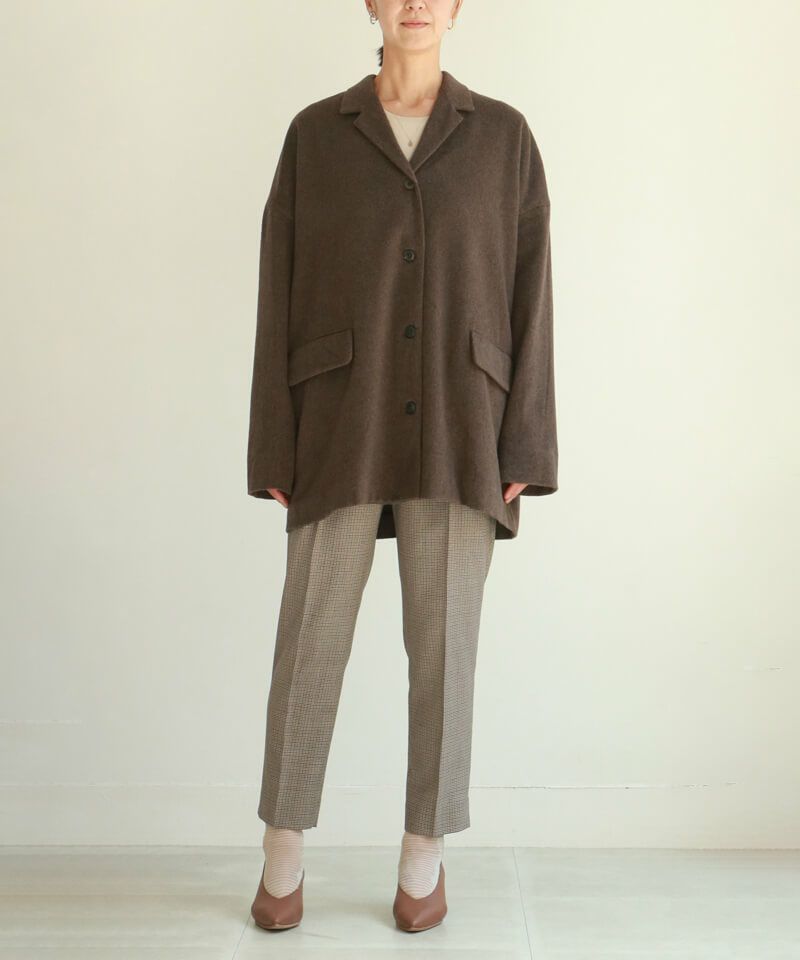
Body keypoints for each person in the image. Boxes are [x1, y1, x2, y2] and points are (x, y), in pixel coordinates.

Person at [247, 0, 558, 933]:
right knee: (311, 644)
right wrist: (273, 439)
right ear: (372, 5)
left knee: (445, 651)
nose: (416, 2)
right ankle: (283, 848)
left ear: (457, 8)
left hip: (464, 422)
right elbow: (277, 285)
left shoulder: (504, 138)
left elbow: (532, 292)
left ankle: (424, 858)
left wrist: (526, 443)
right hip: (340, 418)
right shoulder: (316, 135)